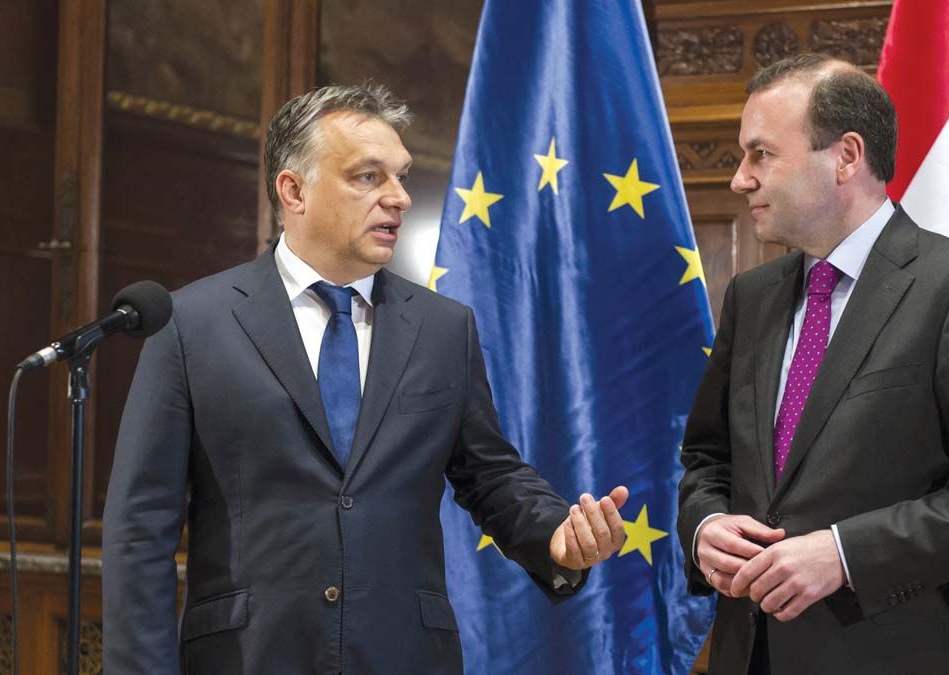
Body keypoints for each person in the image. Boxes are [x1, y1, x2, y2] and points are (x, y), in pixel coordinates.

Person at [102, 83, 629, 674]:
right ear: (294, 190)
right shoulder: (191, 324)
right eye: (368, 177)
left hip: (405, 655)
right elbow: (139, 529)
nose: (399, 197)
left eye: (401, 177)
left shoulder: (442, 328)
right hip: (247, 657)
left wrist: (554, 532)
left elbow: (490, 475)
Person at [677, 53, 949, 674]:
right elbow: (706, 458)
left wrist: (847, 554)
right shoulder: (753, 295)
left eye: (760, 154)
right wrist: (705, 524)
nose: (741, 179)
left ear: (847, 156)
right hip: (750, 653)